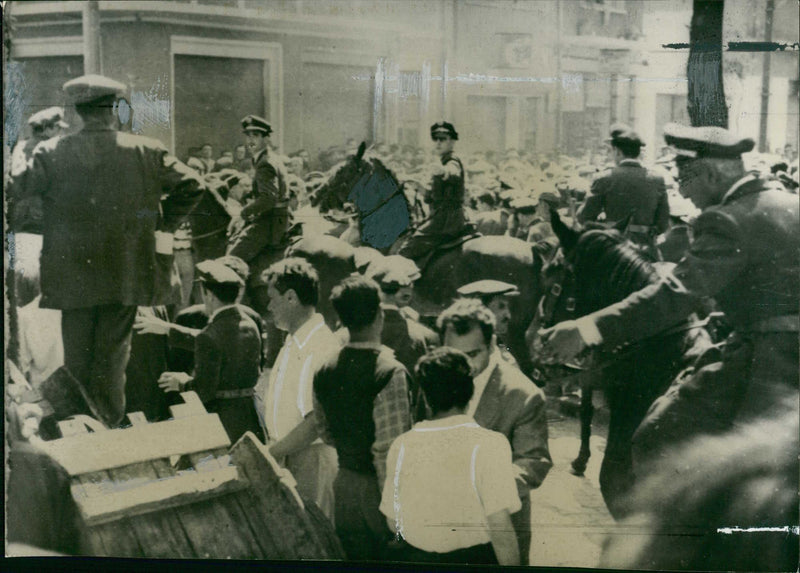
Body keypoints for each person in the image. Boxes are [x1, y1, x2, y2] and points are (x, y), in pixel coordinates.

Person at [540, 123, 799, 468]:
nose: (679, 187)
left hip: (772, 359)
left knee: (656, 438)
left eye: (683, 174)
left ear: (708, 174)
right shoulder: (791, 202)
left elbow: (675, 296)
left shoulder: (726, 219)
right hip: (772, 344)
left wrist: (586, 328)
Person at [9, 74, 206, 427]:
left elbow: (18, 187)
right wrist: (161, 225)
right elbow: (193, 185)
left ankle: (83, 430)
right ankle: (108, 429)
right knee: (113, 362)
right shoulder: (147, 149)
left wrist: (20, 150)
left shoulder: (51, 152)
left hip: (72, 279)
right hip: (126, 274)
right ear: (115, 109)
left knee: (77, 363)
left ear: (78, 112)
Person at [380, 348, 521, 566]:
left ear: (426, 398)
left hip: (416, 558)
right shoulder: (490, 444)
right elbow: (500, 526)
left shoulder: (402, 445)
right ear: (471, 393)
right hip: (474, 560)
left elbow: (393, 521)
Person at [437, 299, 552, 565]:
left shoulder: (523, 394)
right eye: (453, 354)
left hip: (498, 534)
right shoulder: (438, 376)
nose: (462, 365)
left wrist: (478, 492)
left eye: (473, 354)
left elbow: (533, 463)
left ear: (491, 345)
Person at [313, 276, 413, 560]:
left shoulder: (323, 369)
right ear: (379, 315)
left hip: (343, 487)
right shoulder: (390, 372)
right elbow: (387, 451)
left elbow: (324, 430)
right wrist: (396, 515)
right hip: (378, 493)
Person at [255, 258, 340, 520]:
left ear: (291, 297)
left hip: (309, 460)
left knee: (313, 542)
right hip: (291, 457)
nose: (269, 307)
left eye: (273, 298)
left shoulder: (319, 345)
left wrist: (270, 454)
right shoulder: (295, 340)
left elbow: (316, 421)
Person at [157, 260, 262, 443]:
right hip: (250, 418)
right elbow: (218, 343)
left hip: (222, 422)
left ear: (210, 296)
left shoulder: (211, 334)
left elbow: (203, 391)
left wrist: (181, 382)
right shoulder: (250, 323)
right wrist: (168, 329)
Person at [578, 124, 670, 253]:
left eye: (612, 151)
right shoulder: (657, 179)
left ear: (618, 151)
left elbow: (584, 216)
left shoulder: (604, 178)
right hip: (646, 248)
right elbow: (663, 223)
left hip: (614, 250)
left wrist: (604, 225)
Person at [398, 122, 472, 264]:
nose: (438, 143)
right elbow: (436, 196)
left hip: (446, 220)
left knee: (406, 251)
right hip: (443, 216)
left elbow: (454, 172)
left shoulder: (452, 160)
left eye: (443, 139)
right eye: (435, 139)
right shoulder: (442, 160)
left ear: (452, 141)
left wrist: (444, 172)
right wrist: (418, 186)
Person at [227, 115, 290, 263]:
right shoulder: (267, 158)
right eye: (248, 136)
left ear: (266, 139)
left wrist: (242, 214)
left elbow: (268, 198)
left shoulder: (265, 163)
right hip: (278, 217)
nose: (250, 140)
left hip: (270, 221)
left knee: (232, 259)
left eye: (255, 135)